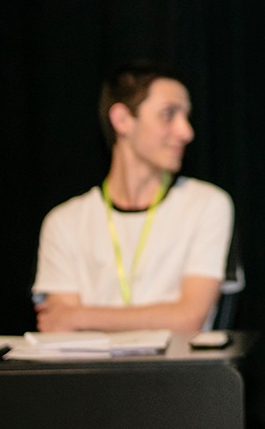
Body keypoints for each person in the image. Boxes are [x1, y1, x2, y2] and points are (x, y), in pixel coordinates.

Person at [32, 60, 234, 332]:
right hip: (90, 363)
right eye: (168, 114)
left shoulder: (206, 204)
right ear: (122, 120)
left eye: (186, 116)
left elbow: (188, 318)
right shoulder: (65, 221)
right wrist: (162, 316)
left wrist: (78, 316)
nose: (186, 132)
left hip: (176, 363)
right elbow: (58, 328)